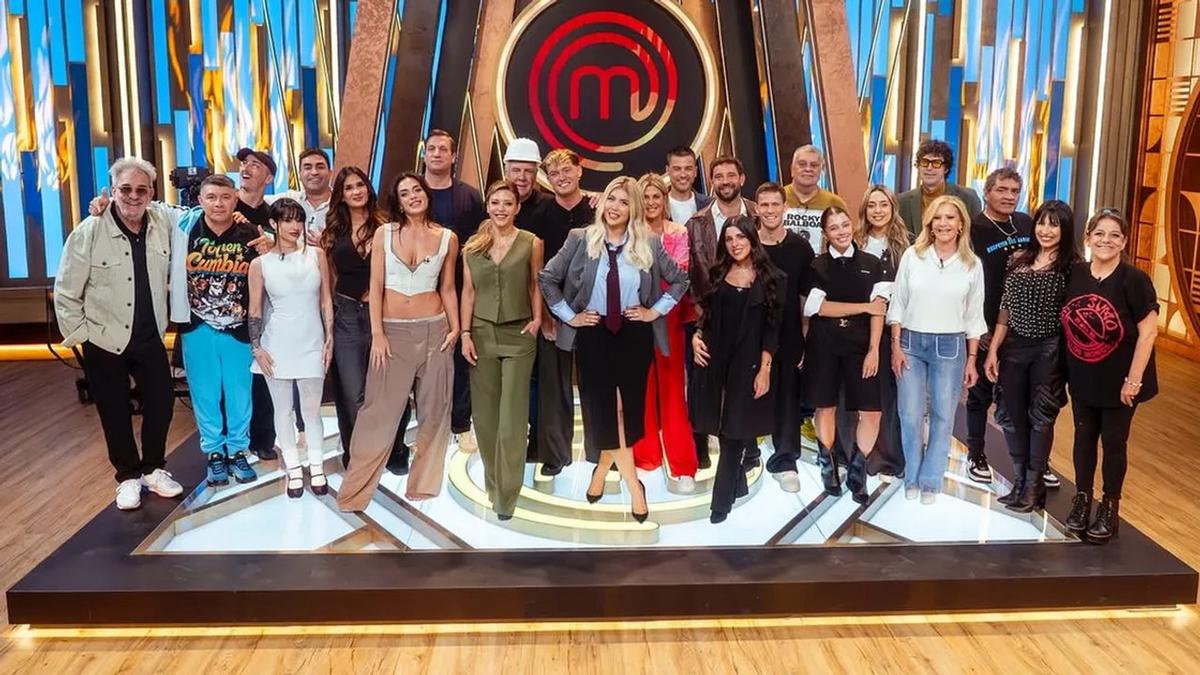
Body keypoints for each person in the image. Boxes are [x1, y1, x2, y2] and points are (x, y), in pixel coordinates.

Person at [539, 176, 689, 522]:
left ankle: (607, 470)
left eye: (623, 201)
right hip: (594, 334)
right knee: (605, 410)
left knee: (626, 410)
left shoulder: (648, 241)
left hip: (634, 335)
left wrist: (654, 311)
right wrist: (569, 316)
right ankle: (633, 484)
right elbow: (547, 278)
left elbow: (680, 280)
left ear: (633, 207)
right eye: (610, 199)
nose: (615, 207)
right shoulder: (580, 239)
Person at [54, 157, 183, 510]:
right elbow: (66, 290)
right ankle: (127, 477)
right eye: (125, 189)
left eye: (141, 190)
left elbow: (203, 211)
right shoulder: (89, 230)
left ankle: (153, 468)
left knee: (161, 403)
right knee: (114, 410)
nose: (133, 196)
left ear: (152, 194)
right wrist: (81, 335)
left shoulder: (162, 222)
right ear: (112, 191)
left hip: (149, 335)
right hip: (103, 338)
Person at [336, 173, 460, 511]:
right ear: (399, 203)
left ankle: (424, 486)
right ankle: (355, 491)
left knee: (435, 412)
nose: (413, 196)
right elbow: (375, 287)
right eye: (405, 193)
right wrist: (378, 334)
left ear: (426, 195)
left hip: (436, 331)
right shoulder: (384, 233)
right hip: (392, 333)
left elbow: (448, 288)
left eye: (417, 190)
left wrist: (456, 329)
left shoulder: (448, 238)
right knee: (377, 414)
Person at [1059, 209, 1158, 543]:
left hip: (1121, 381)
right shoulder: (1075, 274)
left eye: (1115, 235)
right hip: (1084, 375)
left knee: (1114, 442)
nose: (1106, 240)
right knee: (1084, 437)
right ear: (1088, 238)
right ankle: (1082, 499)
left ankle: (1109, 507)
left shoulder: (1135, 280)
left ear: (1124, 242)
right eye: (1099, 233)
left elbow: (1148, 333)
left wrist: (1134, 380)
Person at [169, 175, 267, 486]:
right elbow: (151, 209)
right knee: (205, 393)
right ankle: (214, 452)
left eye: (225, 197)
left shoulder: (250, 233)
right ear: (200, 200)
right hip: (197, 326)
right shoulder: (185, 229)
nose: (218, 204)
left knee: (239, 393)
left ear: (235, 198)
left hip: (238, 328)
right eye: (211, 197)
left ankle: (237, 450)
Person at [888, 195, 985, 504]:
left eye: (950, 218)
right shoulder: (913, 256)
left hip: (951, 346)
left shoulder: (972, 264)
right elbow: (898, 303)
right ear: (929, 224)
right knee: (910, 414)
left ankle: (931, 480)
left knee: (943, 415)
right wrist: (895, 346)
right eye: (937, 218)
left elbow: (974, 316)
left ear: (961, 224)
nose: (943, 223)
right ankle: (912, 476)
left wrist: (972, 359)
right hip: (910, 344)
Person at [982, 200, 1077, 513]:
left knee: (1040, 417)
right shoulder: (1018, 259)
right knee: (1010, 415)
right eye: (1041, 223)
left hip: (1049, 350)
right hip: (1014, 347)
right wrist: (993, 349)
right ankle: (1020, 480)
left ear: (1065, 230)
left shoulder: (1072, 267)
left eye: (1054, 225)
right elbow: (1005, 308)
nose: (1046, 230)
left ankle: (1035, 485)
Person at [689, 216, 782, 523]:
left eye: (740, 237)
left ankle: (720, 504)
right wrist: (696, 336)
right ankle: (738, 483)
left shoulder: (773, 278)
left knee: (732, 431)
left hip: (750, 363)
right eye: (729, 239)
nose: (735, 244)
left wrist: (765, 369)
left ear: (752, 238)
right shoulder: (718, 273)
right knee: (723, 425)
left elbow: (773, 330)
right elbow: (707, 315)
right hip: (715, 359)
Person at [460, 181, 544, 520]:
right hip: (481, 334)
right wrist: (465, 334)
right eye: (495, 202)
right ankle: (493, 484)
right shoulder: (472, 246)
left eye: (508, 203)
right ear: (488, 206)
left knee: (512, 419)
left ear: (517, 208)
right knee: (485, 418)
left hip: (519, 333)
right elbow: (468, 292)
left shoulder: (531, 242)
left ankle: (508, 495)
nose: (501, 209)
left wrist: (537, 319)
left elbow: (535, 283)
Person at [248, 198, 334, 498]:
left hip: (312, 342)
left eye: (299, 219)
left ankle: (317, 466)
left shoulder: (317, 255)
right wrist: (257, 347)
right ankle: (294, 469)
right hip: (276, 344)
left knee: (311, 411)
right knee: (282, 411)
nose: (295, 226)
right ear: (274, 224)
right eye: (287, 220)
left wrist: (330, 337)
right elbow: (255, 310)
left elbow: (326, 299)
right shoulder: (260, 264)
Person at [803, 207, 888, 503]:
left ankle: (857, 471)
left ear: (852, 225)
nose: (841, 231)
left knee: (872, 411)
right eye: (834, 227)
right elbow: (818, 308)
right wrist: (863, 307)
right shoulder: (816, 265)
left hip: (862, 345)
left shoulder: (871, 263)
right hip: (824, 343)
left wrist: (874, 349)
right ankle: (828, 468)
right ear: (825, 233)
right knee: (825, 407)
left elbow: (879, 310)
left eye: (844, 224)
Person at [320, 167, 403, 469]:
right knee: (352, 391)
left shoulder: (389, 226)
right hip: (346, 315)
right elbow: (329, 278)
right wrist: (328, 323)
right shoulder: (333, 232)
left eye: (360, 185)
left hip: (385, 315)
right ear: (341, 195)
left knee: (388, 389)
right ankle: (358, 452)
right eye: (349, 188)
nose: (356, 191)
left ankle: (392, 450)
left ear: (368, 188)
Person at [964, 167, 1037, 485]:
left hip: (1024, 326)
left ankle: (1035, 461)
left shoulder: (1026, 223)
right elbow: (964, 281)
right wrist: (976, 328)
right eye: (1002, 190)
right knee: (980, 394)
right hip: (985, 326)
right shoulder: (973, 229)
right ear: (987, 192)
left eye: (1014, 191)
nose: (1009, 196)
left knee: (1025, 397)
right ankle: (976, 455)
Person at [834, 185, 911, 481]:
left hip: (892, 330)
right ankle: (846, 454)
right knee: (848, 395)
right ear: (864, 210)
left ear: (893, 208)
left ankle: (886, 459)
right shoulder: (852, 241)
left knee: (886, 397)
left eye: (883, 205)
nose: (877, 211)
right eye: (872, 205)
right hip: (853, 329)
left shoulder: (908, 246)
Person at [684, 156, 756, 469]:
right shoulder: (695, 223)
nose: (725, 181)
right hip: (707, 316)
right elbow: (689, 276)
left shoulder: (758, 214)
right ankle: (701, 447)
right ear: (711, 181)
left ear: (742, 178)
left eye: (730, 175)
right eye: (718, 176)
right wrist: (703, 321)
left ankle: (749, 448)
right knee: (703, 384)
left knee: (746, 383)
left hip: (750, 315)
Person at [631, 173, 698, 491]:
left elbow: (679, 276)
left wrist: (656, 306)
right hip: (635, 314)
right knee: (642, 387)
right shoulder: (630, 234)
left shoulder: (678, 232)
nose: (651, 203)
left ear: (664, 200)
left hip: (669, 314)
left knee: (672, 388)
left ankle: (682, 465)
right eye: (645, 197)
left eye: (656, 196)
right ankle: (646, 458)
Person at [528, 149, 592, 475]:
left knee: (597, 385)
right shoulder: (539, 214)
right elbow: (535, 271)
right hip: (553, 309)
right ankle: (555, 454)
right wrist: (544, 315)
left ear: (579, 171)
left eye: (567, 170)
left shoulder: (598, 209)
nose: (562, 178)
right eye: (554, 174)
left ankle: (603, 454)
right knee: (553, 387)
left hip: (595, 309)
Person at [422, 129, 487, 450]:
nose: (437, 154)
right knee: (425, 359)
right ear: (424, 154)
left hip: (460, 287)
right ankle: (429, 425)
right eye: (431, 149)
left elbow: (482, 241)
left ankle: (461, 423)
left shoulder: (470, 197)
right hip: (419, 288)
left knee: (461, 354)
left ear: (453, 156)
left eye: (443, 149)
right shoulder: (410, 192)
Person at [754, 182, 814, 493]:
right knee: (748, 394)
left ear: (784, 207)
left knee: (788, 398)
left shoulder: (800, 248)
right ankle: (748, 455)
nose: (770, 211)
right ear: (756, 208)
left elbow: (805, 298)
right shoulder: (746, 243)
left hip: (789, 332)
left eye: (775, 204)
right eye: (764, 205)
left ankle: (785, 460)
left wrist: (805, 337)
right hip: (752, 333)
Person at [234, 147, 286, 463]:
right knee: (233, 379)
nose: (247, 168)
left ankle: (263, 438)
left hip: (265, 309)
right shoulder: (224, 205)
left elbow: (290, 254)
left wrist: (273, 244)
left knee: (264, 373)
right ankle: (233, 443)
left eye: (255, 164)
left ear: (268, 177)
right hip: (227, 307)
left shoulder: (272, 217)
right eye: (244, 163)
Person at [897, 139, 982, 238]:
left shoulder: (968, 198)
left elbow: (975, 239)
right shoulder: (902, 201)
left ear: (946, 169)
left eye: (936, 163)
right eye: (924, 162)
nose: (929, 168)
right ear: (918, 167)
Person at [781, 145, 849, 251]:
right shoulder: (776, 198)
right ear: (792, 169)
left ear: (821, 171)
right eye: (802, 164)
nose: (808, 169)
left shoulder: (835, 203)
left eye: (814, 165)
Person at [266, 147, 333, 244]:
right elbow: (254, 201)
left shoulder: (342, 203)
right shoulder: (290, 199)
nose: (314, 172)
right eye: (308, 168)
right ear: (300, 175)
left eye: (320, 167)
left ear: (330, 173)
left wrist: (329, 247)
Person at [664, 146, 712, 224]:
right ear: (667, 171)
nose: (683, 175)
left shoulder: (710, 205)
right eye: (677, 169)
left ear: (695, 171)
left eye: (688, 168)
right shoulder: (658, 206)